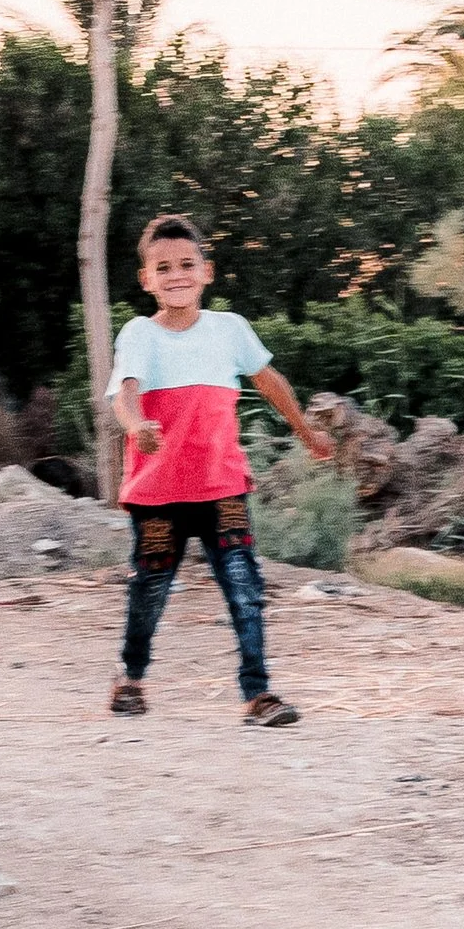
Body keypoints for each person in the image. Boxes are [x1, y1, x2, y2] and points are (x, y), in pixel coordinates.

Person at [107, 214, 335, 728]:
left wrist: (306, 432)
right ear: (146, 280)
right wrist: (137, 425)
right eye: (163, 268)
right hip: (158, 495)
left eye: (187, 264)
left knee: (243, 585)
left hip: (222, 488)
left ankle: (259, 694)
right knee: (150, 587)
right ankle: (130, 679)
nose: (176, 276)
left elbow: (270, 380)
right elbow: (125, 392)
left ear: (207, 272)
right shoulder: (140, 333)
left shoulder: (229, 329)